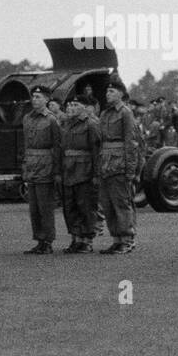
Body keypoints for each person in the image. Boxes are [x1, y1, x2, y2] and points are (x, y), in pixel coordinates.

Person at [98, 76, 141, 254]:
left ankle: (127, 239)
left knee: (121, 204)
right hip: (106, 164)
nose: (108, 94)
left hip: (119, 164)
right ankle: (116, 239)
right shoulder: (105, 113)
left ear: (121, 94)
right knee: (108, 205)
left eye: (112, 91)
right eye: (107, 91)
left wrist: (130, 170)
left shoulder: (126, 113)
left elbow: (131, 142)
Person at [20, 85, 63, 254]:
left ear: (47, 100)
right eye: (33, 97)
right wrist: (25, 164)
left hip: (46, 164)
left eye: (39, 97)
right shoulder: (27, 118)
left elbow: (57, 146)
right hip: (31, 164)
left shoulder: (51, 119)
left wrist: (57, 170)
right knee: (34, 207)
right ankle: (39, 239)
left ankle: (48, 241)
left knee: (45, 206)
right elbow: (26, 144)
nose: (35, 100)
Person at [60, 95, 101, 254]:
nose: (71, 107)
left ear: (84, 107)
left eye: (76, 105)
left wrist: (96, 174)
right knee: (70, 207)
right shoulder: (67, 124)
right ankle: (76, 239)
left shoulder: (91, 124)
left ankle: (87, 240)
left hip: (85, 171)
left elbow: (97, 150)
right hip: (69, 170)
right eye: (70, 105)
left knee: (86, 206)